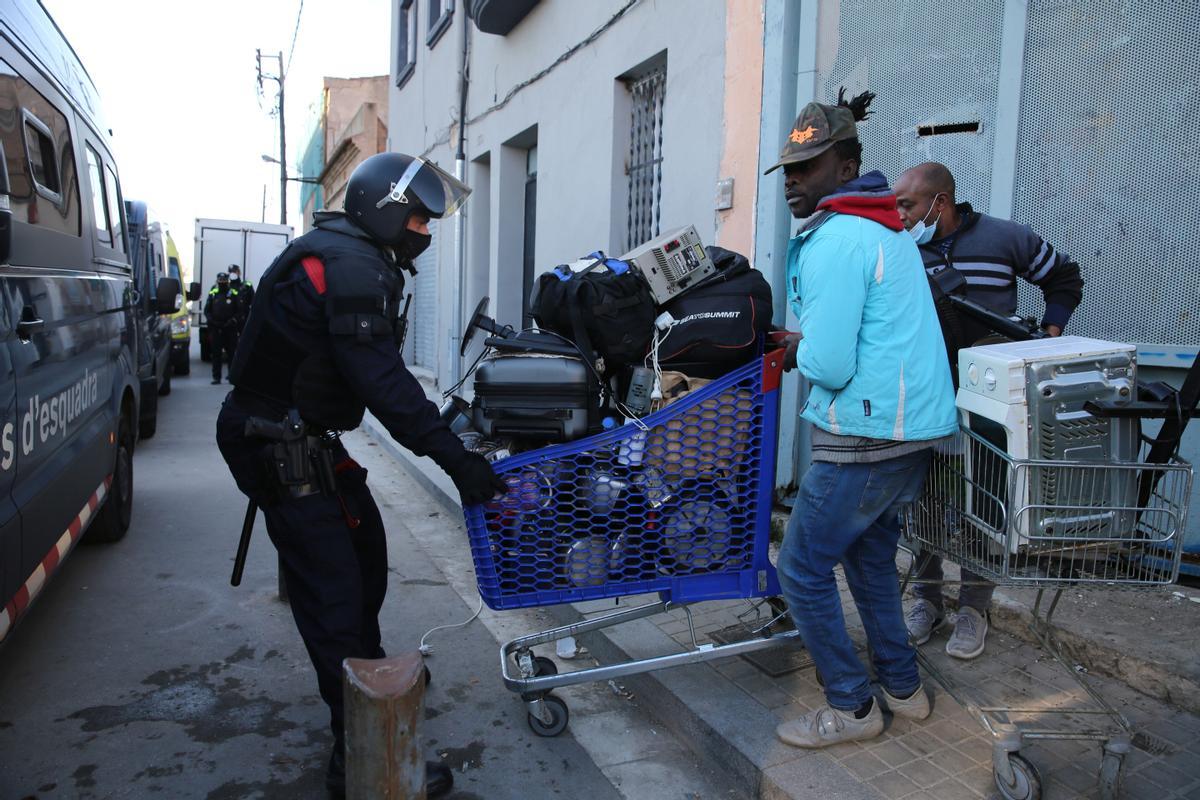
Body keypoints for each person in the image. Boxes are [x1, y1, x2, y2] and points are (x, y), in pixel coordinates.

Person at [215, 152, 506, 797]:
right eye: (420, 221)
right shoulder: (349, 265)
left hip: (302, 438)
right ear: (387, 211)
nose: (425, 235)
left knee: (365, 555)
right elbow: (382, 382)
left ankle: (367, 684)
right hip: (275, 442)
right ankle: (360, 757)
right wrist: (458, 464)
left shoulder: (350, 254)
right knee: (336, 594)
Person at [766, 90, 958, 749]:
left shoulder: (838, 237)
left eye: (809, 166)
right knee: (870, 561)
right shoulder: (879, 225)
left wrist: (792, 348)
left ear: (846, 168)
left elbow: (830, 362)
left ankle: (852, 707)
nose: (794, 180)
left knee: (800, 566)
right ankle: (903, 691)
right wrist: (806, 343)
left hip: (867, 434)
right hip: (911, 431)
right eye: (789, 169)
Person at [894, 162, 1083, 659]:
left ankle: (974, 609)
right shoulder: (901, 246)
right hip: (925, 392)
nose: (900, 213)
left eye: (908, 204)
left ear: (942, 201)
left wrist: (1049, 336)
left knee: (984, 504)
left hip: (990, 401)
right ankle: (926, 600)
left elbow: (1063, 276)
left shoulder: (1005, 238)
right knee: (925, 500)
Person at [204, 271, 240, 385]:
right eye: (220, 281)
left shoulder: (233, 293)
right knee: (216, 354)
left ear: (228, 282)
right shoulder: (213, 293)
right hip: (216, 328)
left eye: (224, 281)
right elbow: (207, 311)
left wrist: (233, 320)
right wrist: (212, 321)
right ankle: (216, 377)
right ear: (217, 281)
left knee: (231, 353)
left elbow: (240, 310)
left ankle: (231, 375)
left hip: (230, 328)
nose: (222, 283)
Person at [227, 264, 254, 331]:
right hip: (229, 322)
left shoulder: (247, 286)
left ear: (239, 273)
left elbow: (254, 302)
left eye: (234, 271)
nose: (232, 274)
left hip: (244, 321)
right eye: (231, 272)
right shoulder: (225, 287)